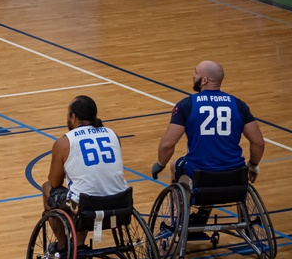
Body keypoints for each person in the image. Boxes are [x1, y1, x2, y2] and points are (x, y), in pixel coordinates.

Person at [152, 60, 265, 194]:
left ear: (204, 80)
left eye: (196, 72)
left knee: (174, 166)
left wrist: (160, 164)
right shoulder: (238, 105)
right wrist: (253, 165)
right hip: (235, 174)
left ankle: (179, 212)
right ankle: (205, 210)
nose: (193, 76)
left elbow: (167, 144)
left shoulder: (187, 105)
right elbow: (258, 142)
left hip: (200, 174)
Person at [42, 96, 129, 246]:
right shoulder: (113, 135)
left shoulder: (64, 143)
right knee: (86, 190)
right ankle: (79, 246)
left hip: (86, 207)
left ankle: (64, 247)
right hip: (121, 201)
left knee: (48, 188)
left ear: (73, 117)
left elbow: (55, 182)